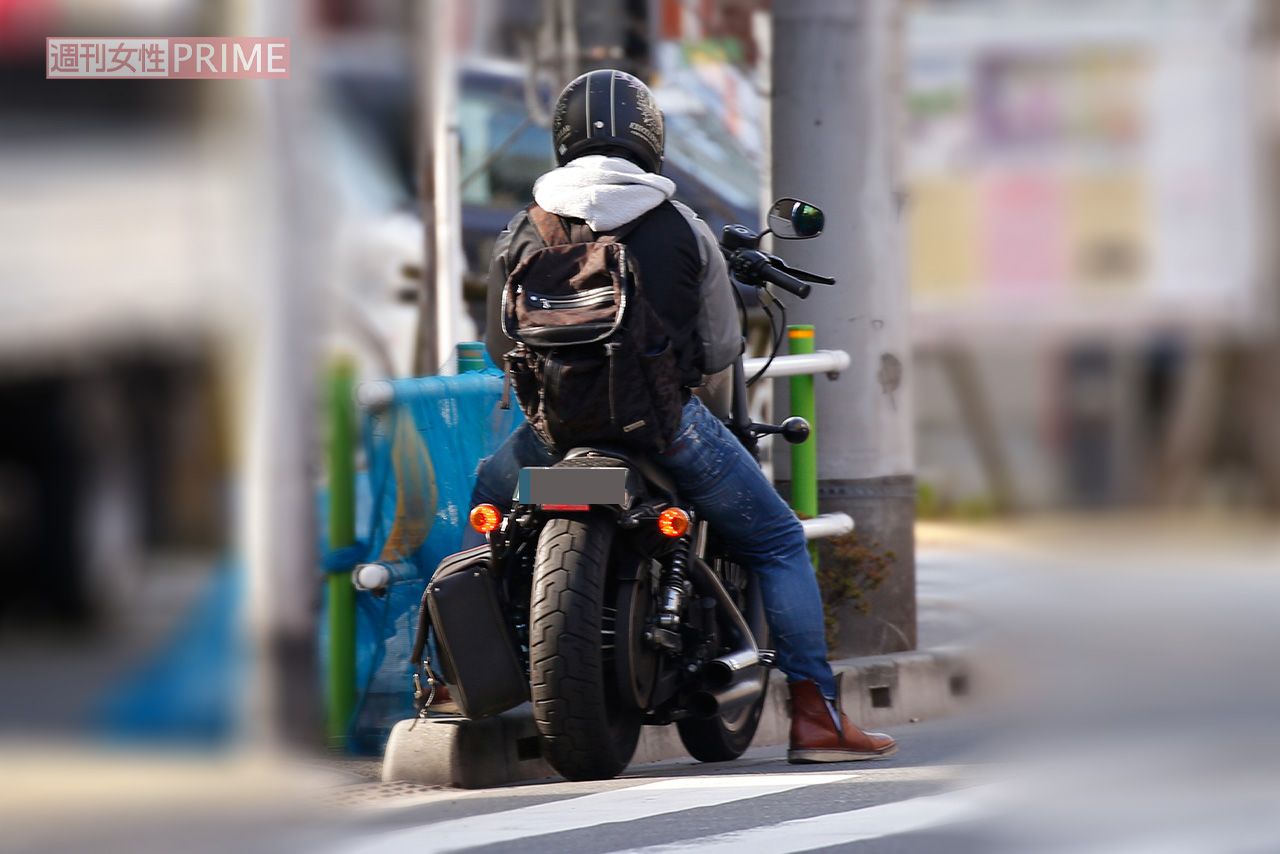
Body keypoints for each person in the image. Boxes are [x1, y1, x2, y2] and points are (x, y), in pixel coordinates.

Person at [472, 68, 895, 764]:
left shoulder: (525, 226)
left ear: (562, 138)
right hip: (662, 426)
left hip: (556, 431)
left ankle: (466, 680)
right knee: (778, 540)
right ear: (650, 136)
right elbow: (723, 347)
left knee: (486, 514)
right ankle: (816, 717)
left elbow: (498, 346)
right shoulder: (679, 225)